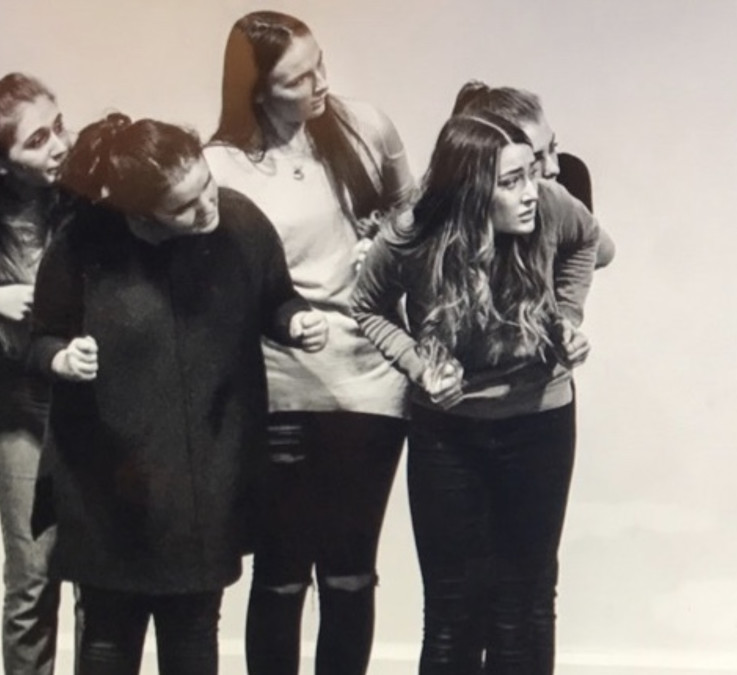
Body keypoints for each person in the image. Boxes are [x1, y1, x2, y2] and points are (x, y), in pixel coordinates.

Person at [29, 112, 328, 675]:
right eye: (184, 207)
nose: (207, 206)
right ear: (141, 215)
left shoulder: (240, 223)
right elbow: (41, 336)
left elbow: (276, 297)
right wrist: (61, 358)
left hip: (204, 477)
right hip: (109, 480)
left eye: (206, 186)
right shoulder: (84, 242)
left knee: (193, 629)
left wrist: (295, 321)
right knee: (108, 637)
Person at [203, 10, 417, 675]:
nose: (320, 83)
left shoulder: (366, 127)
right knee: (281, 572)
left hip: (371, 383)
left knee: (351, 573)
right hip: (282, 388)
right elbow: (222, 296)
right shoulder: (221, 167)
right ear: (257, 90)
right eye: (299, 78)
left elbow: (416, 225)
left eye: (320, 64)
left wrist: (388, 249)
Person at [351, 112, 598, 674]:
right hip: (448, 433)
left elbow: (588, 241)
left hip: (539, 423)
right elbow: (366, 306)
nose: (531, 191)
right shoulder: (414, 231)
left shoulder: (551, 206)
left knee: (522, 605)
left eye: (530, 174)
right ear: (470, 191)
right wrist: (418, 364)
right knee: (451, 610)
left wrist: (566, 317)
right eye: (511, 182)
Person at [0, 72, 70, 675]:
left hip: (90, 400)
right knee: (32, 578)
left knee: (101, 579)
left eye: (59, 127)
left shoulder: (84, 199)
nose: (59, 145)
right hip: (19, 408)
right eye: (37, 139)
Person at [451, 81, 614, 267]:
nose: (553, 168)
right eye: (535, 157)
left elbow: (598, 253)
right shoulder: (455, 216)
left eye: (552, 147)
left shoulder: (568, 176)